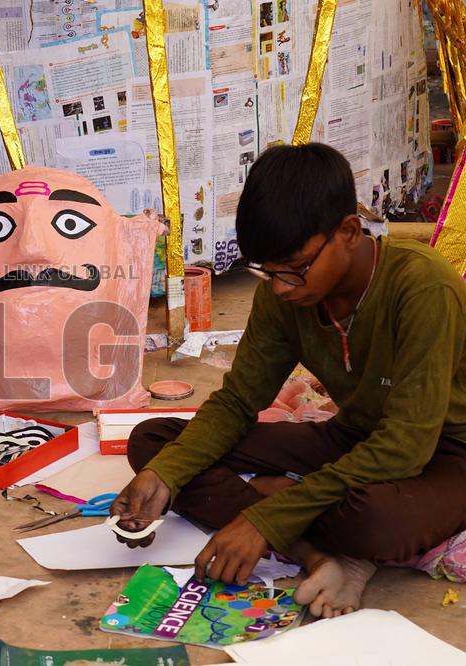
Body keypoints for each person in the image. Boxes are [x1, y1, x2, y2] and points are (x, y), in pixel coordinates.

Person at [111, 143, 466, 618]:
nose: (280, 288)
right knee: (156, 444)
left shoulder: (423, 288)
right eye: (266, 272)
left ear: (348, 232)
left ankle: (313, 530)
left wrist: (269, 514)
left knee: (374, 520)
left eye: (296, 270)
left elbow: (405, 447)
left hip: (447, 453)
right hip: (354, 437)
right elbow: (239, 400)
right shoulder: (285, 294)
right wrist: (168, 474)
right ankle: (316, 555)